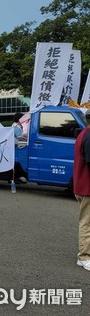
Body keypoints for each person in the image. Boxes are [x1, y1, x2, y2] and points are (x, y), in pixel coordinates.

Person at [74, 111, 90, 272]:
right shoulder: (89, 136)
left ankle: (85, 254)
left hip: (83, 185)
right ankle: (84, 256)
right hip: (87, 187)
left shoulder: (83, 134)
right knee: (86, 223)